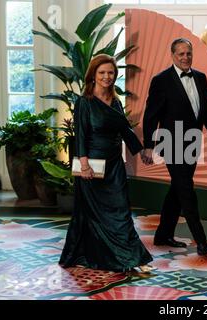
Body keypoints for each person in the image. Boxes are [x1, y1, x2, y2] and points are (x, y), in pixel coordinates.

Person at [59, 54, 154, 273]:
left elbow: (124, 130)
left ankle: (131, 257)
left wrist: (141, 151)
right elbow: (81, 135)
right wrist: (84, 166)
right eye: (102, 72)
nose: (107, 76)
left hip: (114, 165)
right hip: (91, 167)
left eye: (110, 72)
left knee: (121, 211)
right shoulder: (84, 102)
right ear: (93, 75)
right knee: (94, 215)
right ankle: (110, 256)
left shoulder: (116, 102)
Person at [141, 38, 207, 256]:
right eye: (181, 54)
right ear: (172, 56)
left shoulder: (201, 78)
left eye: (188, 53)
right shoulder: (161, 80)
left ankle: (163, 235)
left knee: (178, 189)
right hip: (171, 143)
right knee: (186, 190)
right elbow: (151, 116)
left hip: (192, 142)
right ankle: (201, 241)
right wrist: (148, 145)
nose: (185, 57)